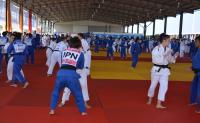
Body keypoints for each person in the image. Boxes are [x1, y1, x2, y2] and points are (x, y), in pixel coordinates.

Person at [49, 37, 87, 116]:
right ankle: (83, 111)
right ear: (79, 44)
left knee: (56, 92)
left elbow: (63, 62)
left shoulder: (63, 52)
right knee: (78, 93)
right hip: (72, 75)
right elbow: (81, 67)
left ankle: (52, 110)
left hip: (61, 74)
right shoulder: (80, 54)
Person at [147, 33, 179, 109]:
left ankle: (159, 103)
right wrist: (164, 55)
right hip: (156, 69)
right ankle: (150, 98)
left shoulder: (168, 49)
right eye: (168, 40)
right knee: (153, 85)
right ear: (164, 40)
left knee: (164, 86)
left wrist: (175, 56)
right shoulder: (156, 49)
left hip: (165, 70)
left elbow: (170, 60)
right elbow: (156, 60)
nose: (169, 42)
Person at [189, 35, 200, 114]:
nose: (195, 43)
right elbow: (196, 61)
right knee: (194, 86)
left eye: (196, 41)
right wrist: (192, 67)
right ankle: (193, 100)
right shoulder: (198, 50)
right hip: (197, 72)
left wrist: (193, 68)